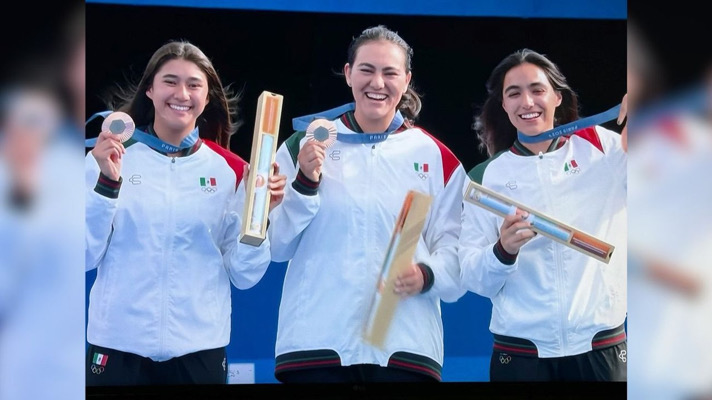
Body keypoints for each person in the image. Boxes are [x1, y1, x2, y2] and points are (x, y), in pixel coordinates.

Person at [267, 25, 466, 383]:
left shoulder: (435, 156)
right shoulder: (306, 144)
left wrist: (426, 274)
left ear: (406, 80)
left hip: (404, 344)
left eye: (390, 72)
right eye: (366, 70)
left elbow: (457, 252)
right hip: (317, 343)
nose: (378, 82)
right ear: (348, 74)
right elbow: (278, 246)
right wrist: (305, 183)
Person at [84, 39, 286, 386]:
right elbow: (83, 255)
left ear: (207, 98)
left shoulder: (232, 171)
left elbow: (245, 275)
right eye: (170, 81)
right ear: (149, 89)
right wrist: (106, 184)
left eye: (194, 85)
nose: (182, 93)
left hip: (200, 350)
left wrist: (260, 217)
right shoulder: (109, 158)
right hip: (116, 345)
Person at [458, 48, 627, 381]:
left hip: (600, 346)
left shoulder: (606, 149)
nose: (527, 102)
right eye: (514, 93)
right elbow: (474, 278)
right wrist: (502, 251)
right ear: (503, 105)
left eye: (537, 89)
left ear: (557, 97)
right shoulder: (484, 177)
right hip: (520, 354)